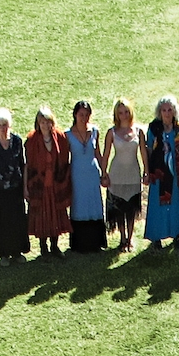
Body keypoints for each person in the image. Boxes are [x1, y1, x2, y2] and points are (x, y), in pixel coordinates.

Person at [141, 98, 179, 249]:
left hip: (177, 173)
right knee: (157, 204)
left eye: (170, 110)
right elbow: (148, 150)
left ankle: (177, 235)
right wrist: (147, 171)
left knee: (176, 203)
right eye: (164, 110)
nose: (167, 113)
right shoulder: (153, 128)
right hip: (159, 173)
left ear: (175, 111)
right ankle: (156, 237)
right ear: (159, 112)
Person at [25, 107, 71, 256]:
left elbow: (64, 160)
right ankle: (43, 247)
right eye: (42, 122)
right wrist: (26, 187)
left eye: (48, 121)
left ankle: (55, 246)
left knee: (56, 214)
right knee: (41, 215)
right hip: (39, 185)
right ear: (38, 123)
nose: (45, 125)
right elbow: (28, 165)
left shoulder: (60, 137)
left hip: (55, 184)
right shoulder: (32, 140)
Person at [0, 110, 29, 263]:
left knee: (17, 220)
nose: (3, 128)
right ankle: (3, 254)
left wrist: (24, 188)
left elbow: (23, 165)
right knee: (1, 221)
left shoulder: (17, 141)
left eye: (5, 125)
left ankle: (17, 252)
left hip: (15, 188)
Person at [103, 99, 143, 253]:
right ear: (116, 115)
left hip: (133, 174)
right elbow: (106, 154)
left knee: (131, 208)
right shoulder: (111, 132)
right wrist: (104, 173)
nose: (124, 115)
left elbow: (143, 153)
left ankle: (130, 238)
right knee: (119, 209)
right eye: (120, 113)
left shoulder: (138, 131)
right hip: (116, 174)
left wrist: (146, 171)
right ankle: (122, 238)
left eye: (126, 112)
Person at [67, 101, 107, 254]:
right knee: (79, 204)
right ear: (75, 115)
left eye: (86, 115)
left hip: (92, 173)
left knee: (93, 204)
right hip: (77, 174)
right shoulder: (68, 135)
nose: (84, 118)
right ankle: (79, 244)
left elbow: (98, 153)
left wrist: (104, 173)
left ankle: (96, 242)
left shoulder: (95, 131)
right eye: (81, 115)